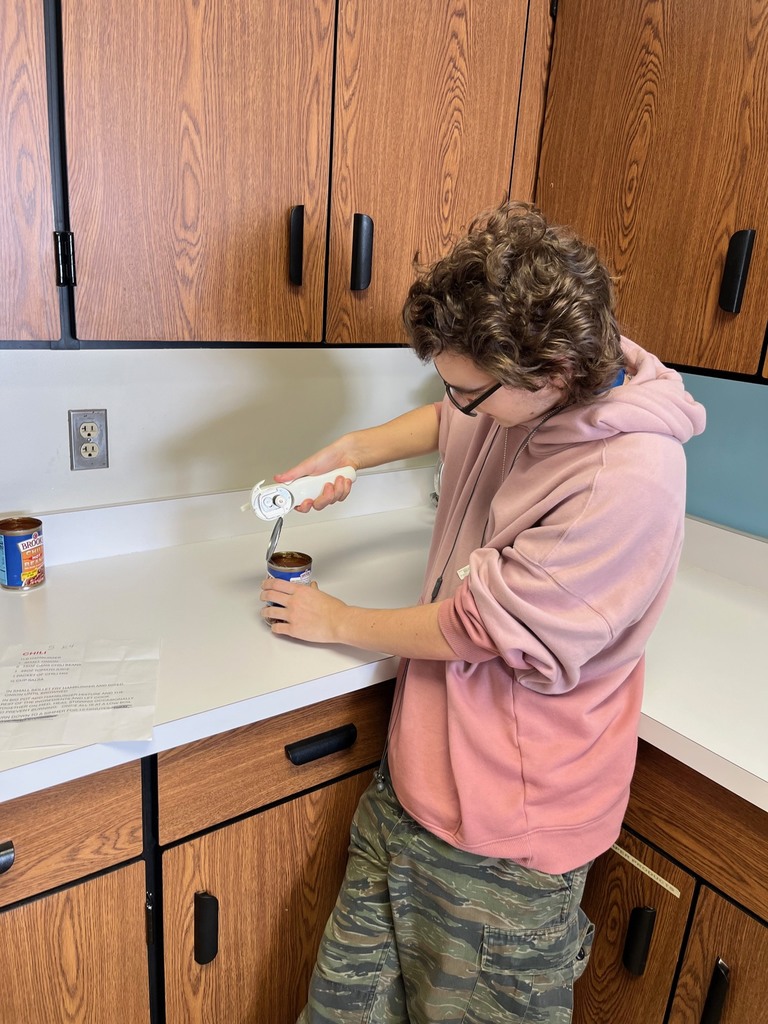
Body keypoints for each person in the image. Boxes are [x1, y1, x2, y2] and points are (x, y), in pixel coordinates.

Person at [260, 201, 706, 1024]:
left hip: (505, 843)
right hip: (415, 792)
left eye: (471, 393)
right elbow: (447, 421)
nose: (455, 408)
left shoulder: (626, 480)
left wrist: (336, 620)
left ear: (556, 374)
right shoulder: (525, 392)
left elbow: (477, 627)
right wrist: (350, 451)